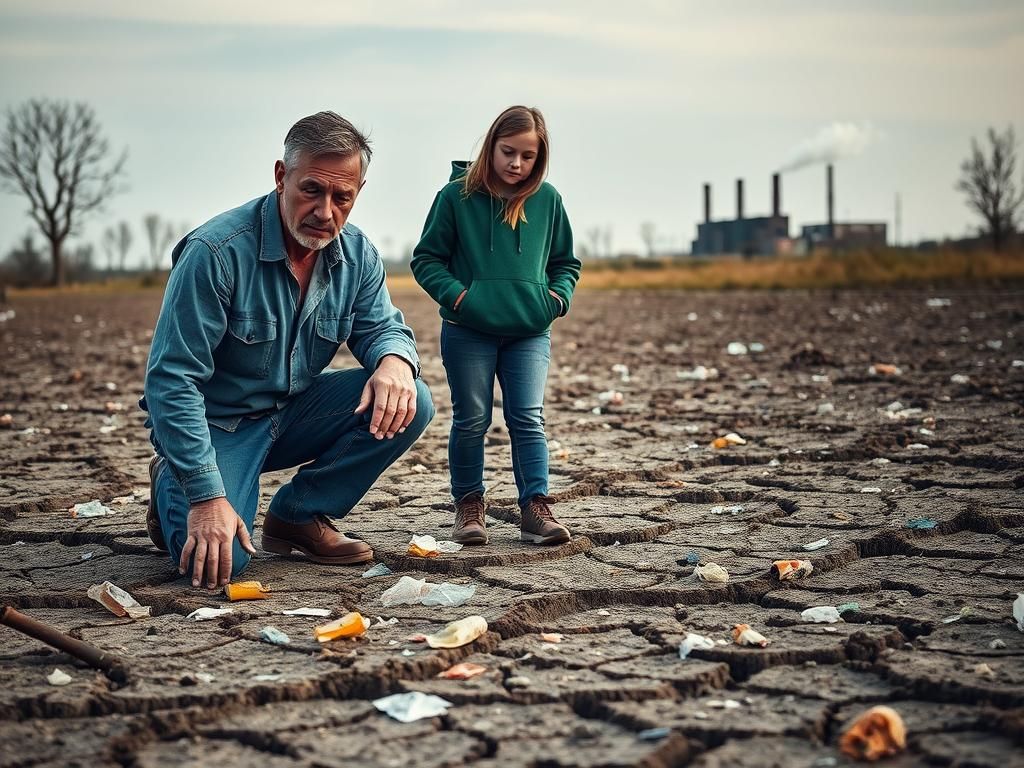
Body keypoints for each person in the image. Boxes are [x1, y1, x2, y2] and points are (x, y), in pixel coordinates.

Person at [142, 111, 434, 590]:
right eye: (312, 190)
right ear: (282, 177)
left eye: (343, 197)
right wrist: (205, 495)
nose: (325, 212)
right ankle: (172, 477)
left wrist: (395, 361)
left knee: (412, 398)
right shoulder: (216, 253)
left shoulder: (356, 255)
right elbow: (172, 381)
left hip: (293, 412)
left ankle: (298, 515)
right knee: (222, 565)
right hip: (220, 427)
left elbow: (382, 326)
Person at [410, 105, 581, 546]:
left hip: (530, 330)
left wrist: (557, 299)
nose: (516, 165)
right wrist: (462, 297)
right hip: (468, 330)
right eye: (508, 152)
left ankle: (535, 509)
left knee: (528, 417)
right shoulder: (455, 197)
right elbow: (426, 260)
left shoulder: (548, 200)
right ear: (491, 146)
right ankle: (469, 508)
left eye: (528, 156)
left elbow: (566, 262)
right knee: (472, 419)